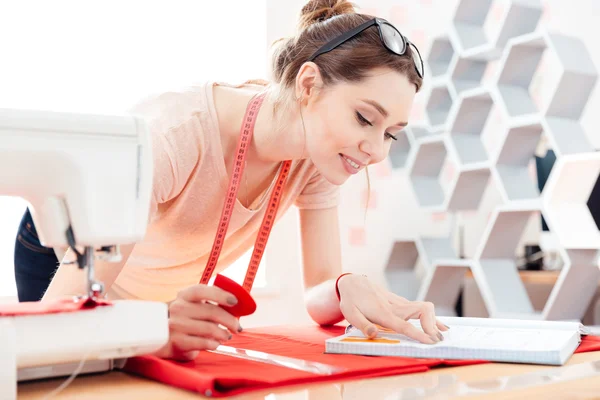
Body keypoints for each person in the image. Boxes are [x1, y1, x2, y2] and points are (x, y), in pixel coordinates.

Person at [17, 0, 448, 360]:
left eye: (391, 134)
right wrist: (156, 326)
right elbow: (69, 315)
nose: (376, 150)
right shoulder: (174, 135)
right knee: (63, 366)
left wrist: (342, 287)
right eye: (365, 119)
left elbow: (317, 294)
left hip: (151, 290)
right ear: (309, 84)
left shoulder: (321, 156)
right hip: (61, 252)